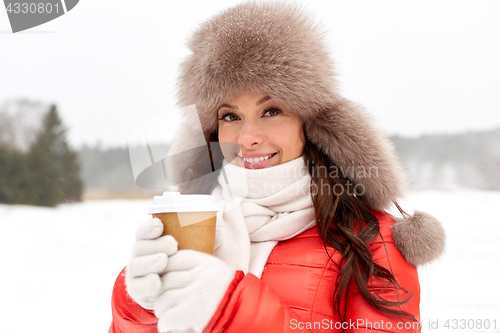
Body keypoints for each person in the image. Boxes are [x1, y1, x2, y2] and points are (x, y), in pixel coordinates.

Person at [109, 2, 445, 332]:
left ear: (310, 122)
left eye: (271, 111)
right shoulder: (194, 226)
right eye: (230, 116)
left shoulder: (371, 243)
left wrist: (231, 311)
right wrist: (138, 307)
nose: (248, 137)